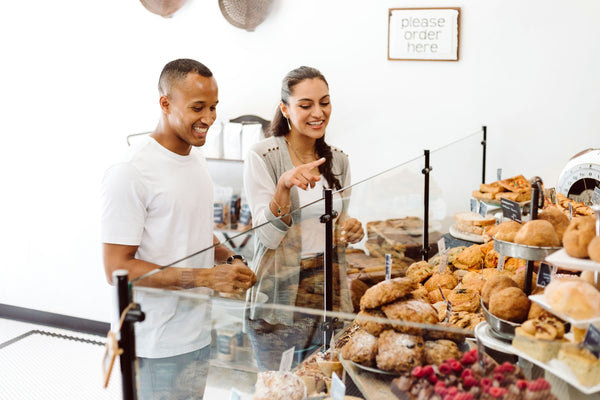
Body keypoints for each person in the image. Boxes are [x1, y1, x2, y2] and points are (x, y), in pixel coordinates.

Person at [101, 58, 256, 400]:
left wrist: (231, 258)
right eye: (198, 107)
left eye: (214, 107)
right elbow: (116, 268)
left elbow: (195, 230)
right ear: (165, 103)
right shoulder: (130, 172)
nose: (209, 119)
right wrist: (204, 278)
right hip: (154, 343)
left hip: (198, 333)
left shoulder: (195, 159)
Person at [243, 66, 364, 370]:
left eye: (324, 102)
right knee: (278, 388)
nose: (318, 113)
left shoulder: (338, 160)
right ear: (285, 109)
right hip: (279, 298)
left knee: (321, 384)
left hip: (327, 294)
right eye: (305, 105)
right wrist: (284, 186)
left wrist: (350, 228)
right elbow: (267, 237)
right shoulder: (263, 156)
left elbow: (337, 228)